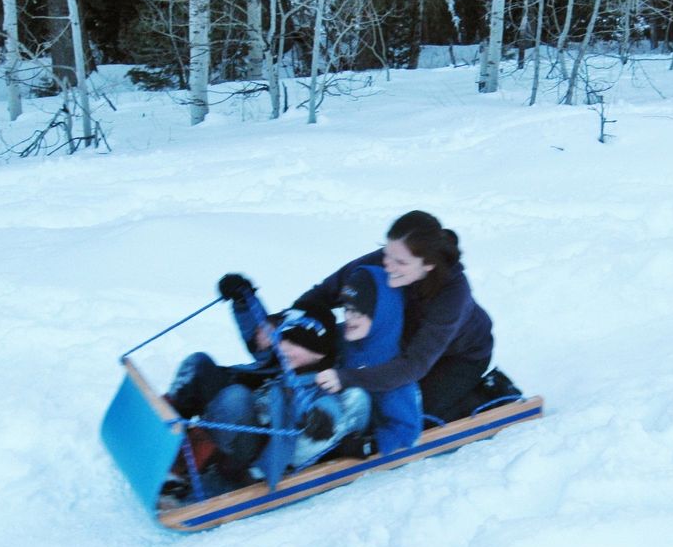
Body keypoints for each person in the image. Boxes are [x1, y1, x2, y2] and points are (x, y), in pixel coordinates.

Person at [163, 275, 370, 494]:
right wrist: (243, 300)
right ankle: (164, 433)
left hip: (255, 451)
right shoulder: (280, 358)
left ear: (320, 354)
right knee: (199, 364)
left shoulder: (319, 382)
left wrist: (321, 419)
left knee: (235, 397)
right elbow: (259, 327)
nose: (285, 348)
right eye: (284, 339)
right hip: (235, 423)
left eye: (297, 344)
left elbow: (329, 405)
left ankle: (189, 470)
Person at [292, 210, 497, 423]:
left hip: (460, 356)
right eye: (387, 253)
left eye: (400, 262)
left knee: (413, 413)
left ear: (428, 264)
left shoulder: (453, 294)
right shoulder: (391, 259)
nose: (388, 265)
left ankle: (489, 393)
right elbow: (327, 291)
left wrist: (348, 378)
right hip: (403, 338)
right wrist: (291, 319)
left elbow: (413, 364)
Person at [333, 265, 422, 457]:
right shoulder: (346, 339)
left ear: (382, 315)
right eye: (347, 309)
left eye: (357, 312)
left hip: (360, 431)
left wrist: (369, 445)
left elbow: (407, 430)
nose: (348, 317)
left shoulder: (393, 372)